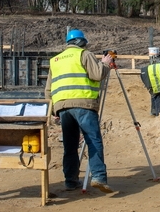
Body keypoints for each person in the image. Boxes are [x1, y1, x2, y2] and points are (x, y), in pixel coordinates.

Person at [45, 29, 116, 193]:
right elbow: (98, 74)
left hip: (63, 108)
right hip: (83, 104)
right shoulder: (84, 54)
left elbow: (48, 90)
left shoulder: (55, 60)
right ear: (80, 42)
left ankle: (70, 180)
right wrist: (105, 63)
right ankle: (98, 177)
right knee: (93, 140)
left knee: (70, 145)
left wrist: (54, 110)